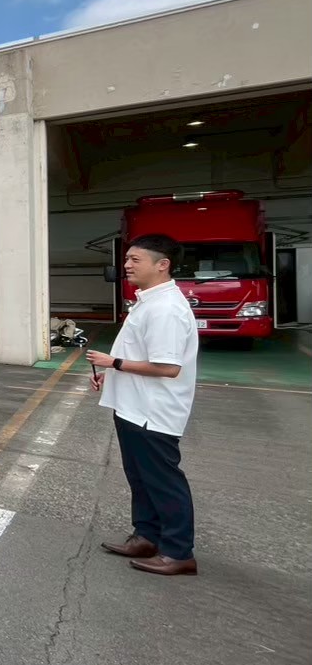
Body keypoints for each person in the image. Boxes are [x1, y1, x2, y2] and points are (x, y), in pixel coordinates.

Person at [87, 233, 199, 576]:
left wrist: (114, 364)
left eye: (135, 260)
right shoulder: (149, 300)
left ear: (162, 265)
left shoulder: (165, 308)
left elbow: (168, 367)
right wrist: (112, 375)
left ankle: (179, 552)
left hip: (153, 412)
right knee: (140, 477)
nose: (126, 265)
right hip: (134, 407)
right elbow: (140, 352)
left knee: (163, 481)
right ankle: (147, 535)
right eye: (127, 259)